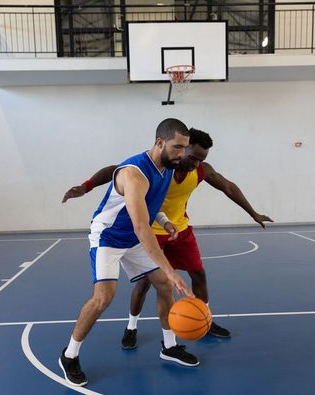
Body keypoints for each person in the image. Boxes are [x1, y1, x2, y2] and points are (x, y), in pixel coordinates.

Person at [63, 128, 273, 352]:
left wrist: (253, 213)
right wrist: (86, 186)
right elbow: (134, 211)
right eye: (186, 152)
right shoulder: (145, 169)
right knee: (118, 293)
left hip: (171, 228)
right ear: (166, 144)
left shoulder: (177, 169)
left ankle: (177, 340)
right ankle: (106, 338)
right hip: (124, 232)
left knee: (179, 279)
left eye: (198, 159)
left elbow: (227, 187)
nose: (193, 162)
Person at [59, 118, 200, 388]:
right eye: (177, 147)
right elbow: (139, 226)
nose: (182, 154)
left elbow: (148, 205)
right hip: (109, 236)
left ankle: (169, 346)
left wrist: (163, 220)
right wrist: (171, 271)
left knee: (163, 286)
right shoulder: (134, 173)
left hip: (134, 238)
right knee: (104, 298)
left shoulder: (168, 166)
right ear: (160, 143)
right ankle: (69, 355)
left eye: (185, 148)